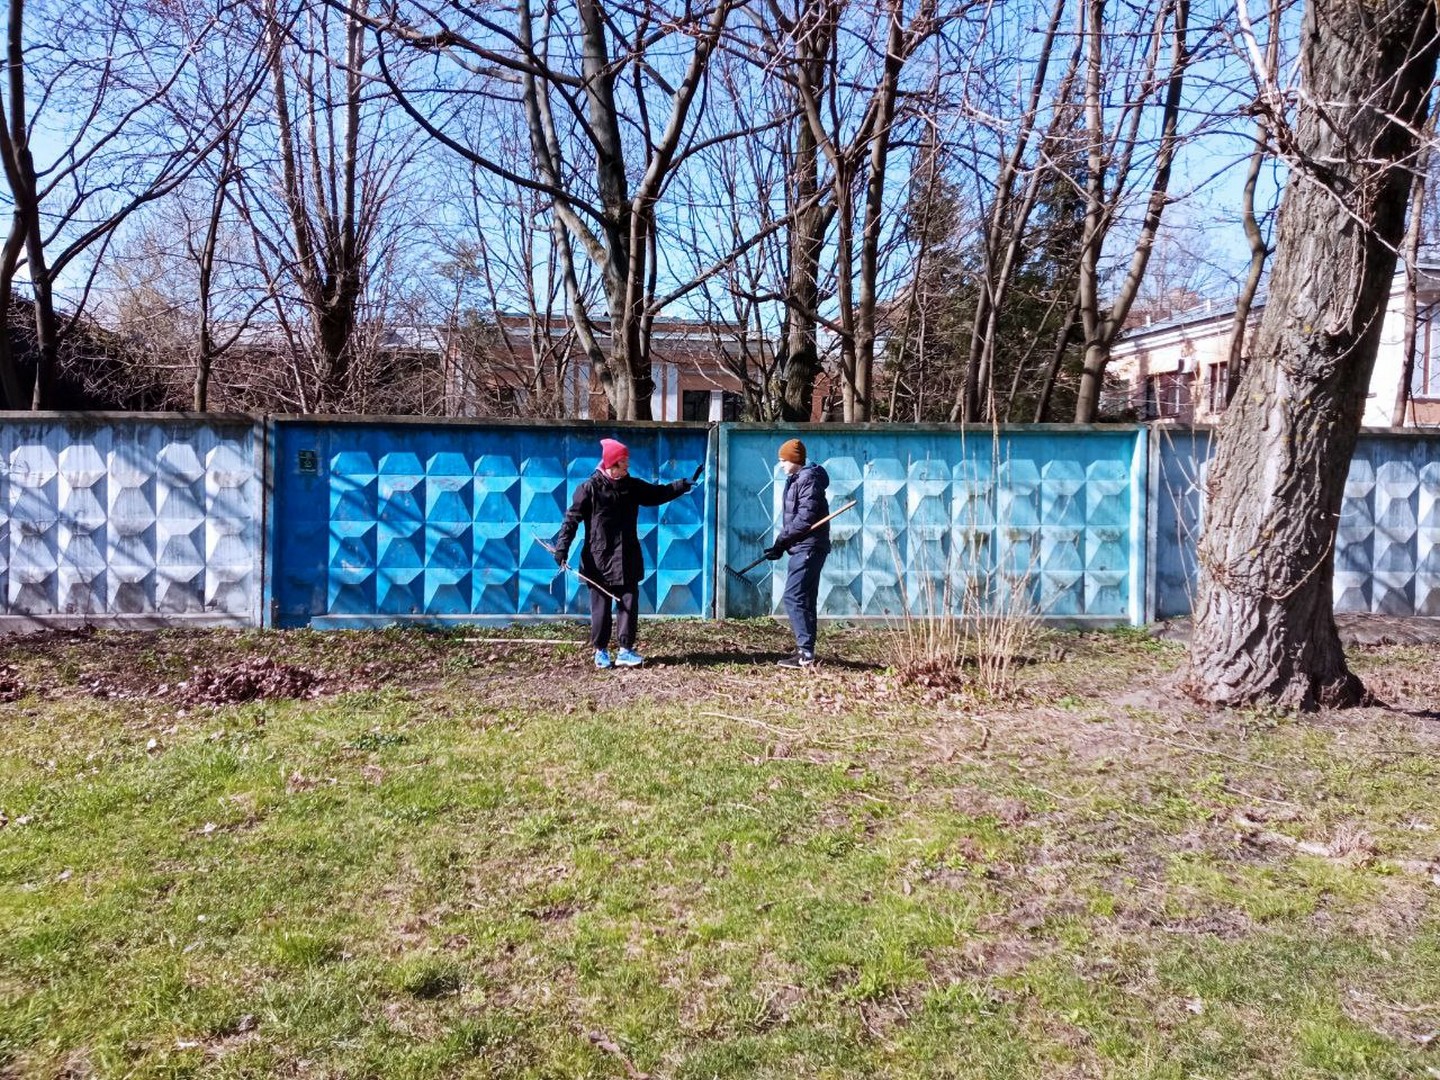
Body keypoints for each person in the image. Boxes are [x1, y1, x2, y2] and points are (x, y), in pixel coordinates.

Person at [553, 438, 695, 669]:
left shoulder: (631, 486)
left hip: (628, 557)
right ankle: (600, 652)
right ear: (612, 464)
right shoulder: (589, 489)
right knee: (600, 608)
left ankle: (625, 651)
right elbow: (571, 521)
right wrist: (562, 548)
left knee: (629, 604)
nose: (627, 467)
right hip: (598, 561)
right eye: (624, 463)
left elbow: (657, 494)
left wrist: (682, 485)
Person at [764, 438, 830, 668]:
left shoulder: (807, 480)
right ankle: (806, 651)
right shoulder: (797, 479)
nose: (781, 464)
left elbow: (804, 519)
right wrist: (783, 546)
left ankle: (805, 654)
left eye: (784, 460)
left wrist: (781, 541)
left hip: (809, 547)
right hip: (804, 546)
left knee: (794, 596)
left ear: (795, 459)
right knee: (805, 598)